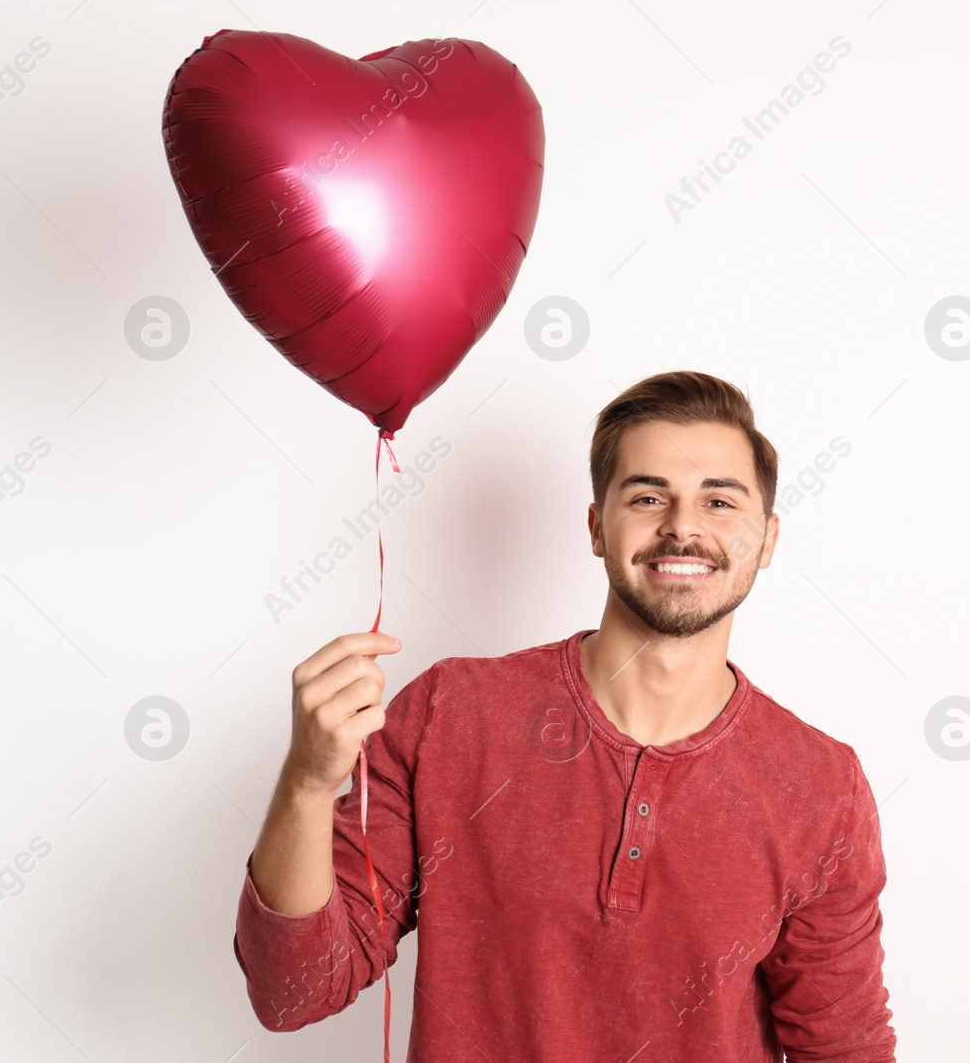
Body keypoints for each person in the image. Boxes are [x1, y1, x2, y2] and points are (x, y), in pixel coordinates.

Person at [234, 370, 897, 1061]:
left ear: (766, 540)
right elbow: (292, 992)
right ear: (596, 528)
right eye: (647, 495)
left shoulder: (821, 785)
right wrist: (307, 784)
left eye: (719, 501)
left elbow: (845, 1048)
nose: (682, 526)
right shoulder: (450, 713)